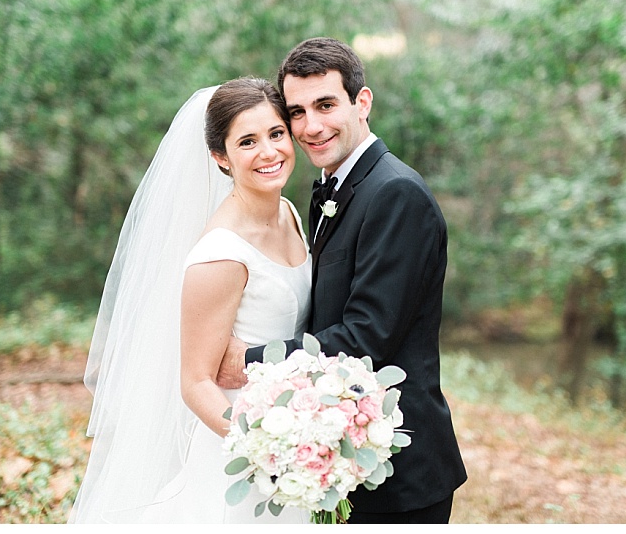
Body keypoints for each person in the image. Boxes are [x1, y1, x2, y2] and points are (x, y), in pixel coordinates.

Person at [217, 37, 467, 523]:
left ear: (362, 102)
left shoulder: (395, 194)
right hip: (341, 459)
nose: (311, 126)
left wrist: (247, 362)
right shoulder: (335, 186)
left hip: (398, 472)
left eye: (326, 105)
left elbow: (367, 337)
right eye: (297, 111)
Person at [71, 78, 310, 523]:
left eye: (276, 133)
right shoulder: (221, 252)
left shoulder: (289, 213)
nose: (269, 152)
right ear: (221, 157)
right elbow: (196, 383)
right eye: (248, 141)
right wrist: (266, 446)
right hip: (248, 456)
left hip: (302, 437)